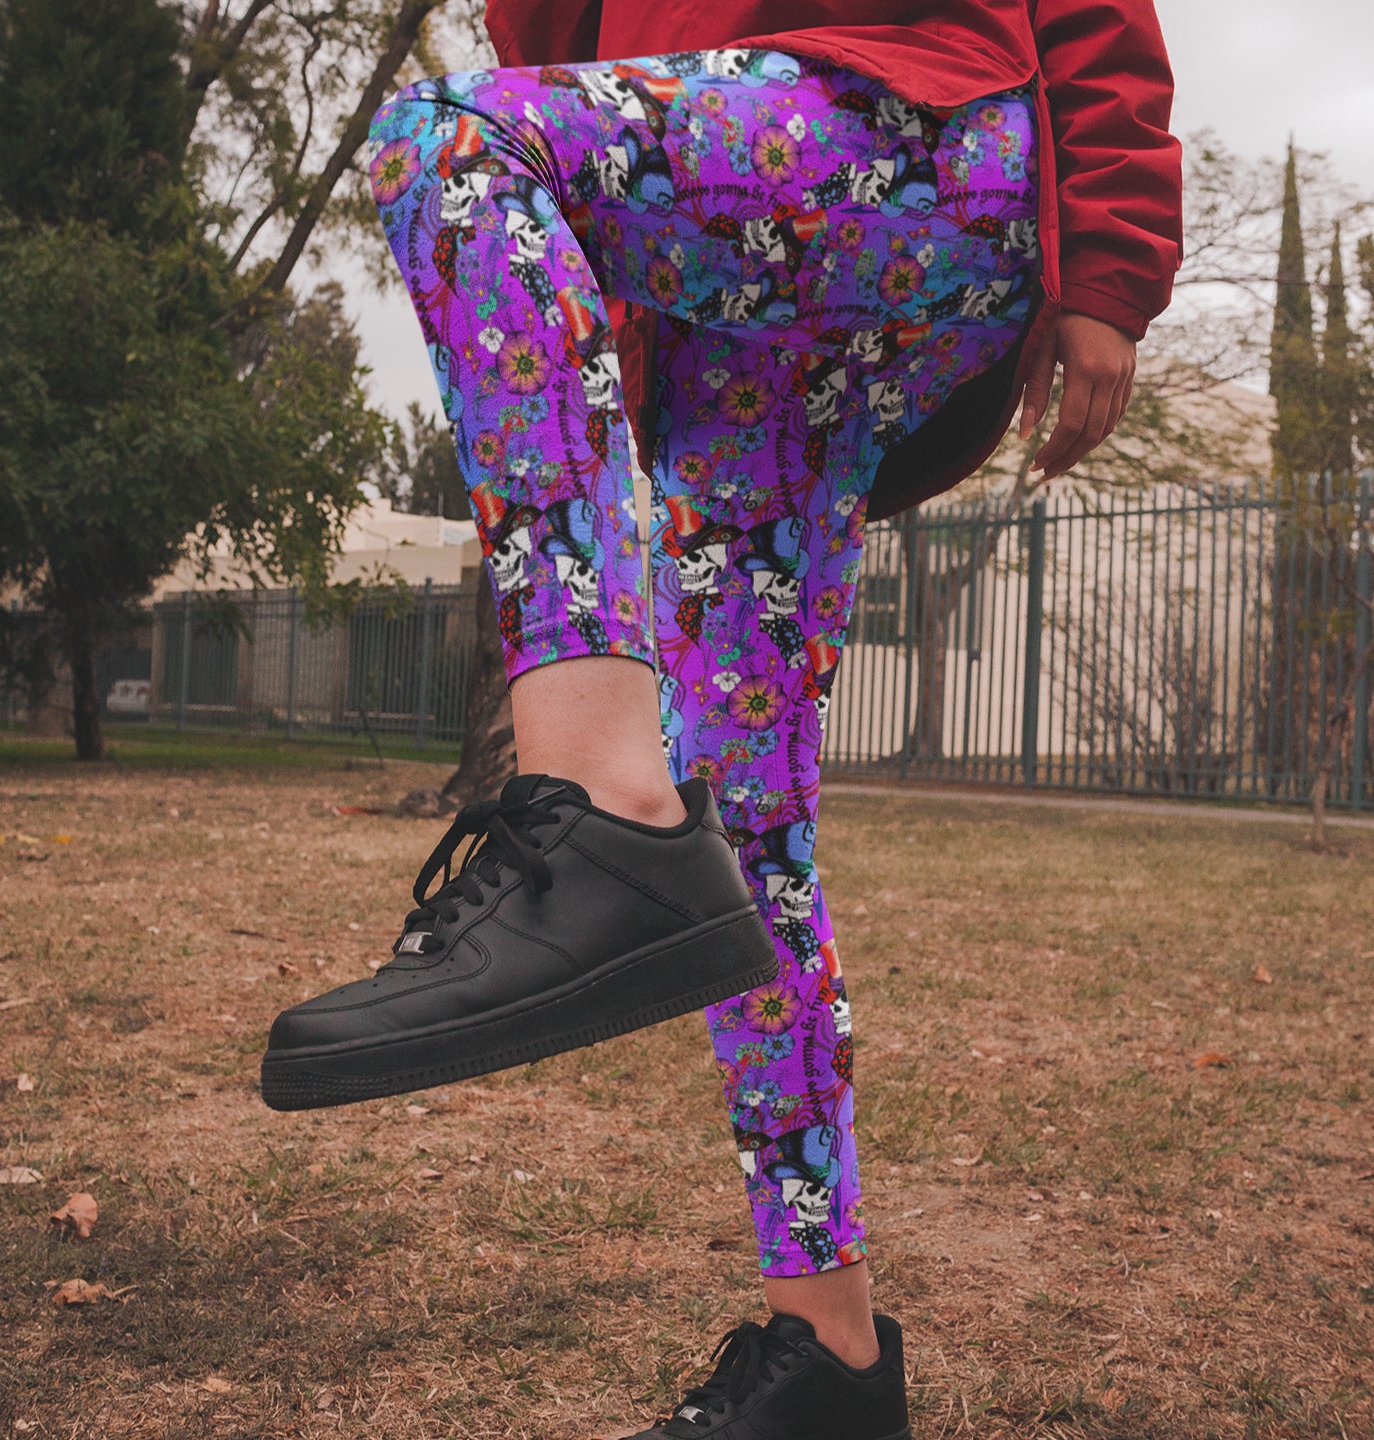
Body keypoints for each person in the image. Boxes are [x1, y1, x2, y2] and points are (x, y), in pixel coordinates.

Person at [263, 2, 1181, 1434]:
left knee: (448, 143)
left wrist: (1113, 266)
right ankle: (831, 1353)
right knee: (746, 840)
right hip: (730, 305)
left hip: (908, 126)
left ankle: (589, 811)